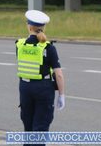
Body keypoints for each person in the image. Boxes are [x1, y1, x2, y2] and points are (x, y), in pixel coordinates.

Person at [16, 10, 65, 146]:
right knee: (40, 129)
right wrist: (61, 95)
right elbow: (59, 74)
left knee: (28, 130)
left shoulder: (19, 45)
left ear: (28, 26)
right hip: (43, 89)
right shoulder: (48, 48)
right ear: (43, 27)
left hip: (25, 89)